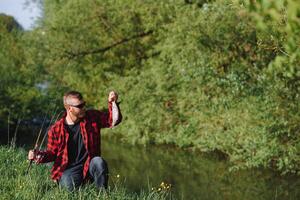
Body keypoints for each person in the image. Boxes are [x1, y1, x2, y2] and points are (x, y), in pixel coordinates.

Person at [28, 90, 122, 191]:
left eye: (84, 104)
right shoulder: (55, 129)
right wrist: (37, 156)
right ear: (69, 108)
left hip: (89, 164)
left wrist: (113, 102)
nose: (84, 108)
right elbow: (52, 153)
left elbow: (113, 121)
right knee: (68, 187)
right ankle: (76, 185)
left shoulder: (92, 117)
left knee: (99, 162)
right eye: (80, 106)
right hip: (68, 169)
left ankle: (102, 194)